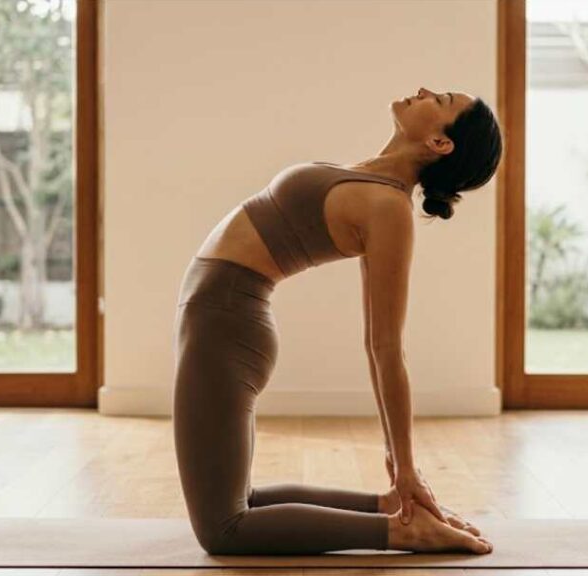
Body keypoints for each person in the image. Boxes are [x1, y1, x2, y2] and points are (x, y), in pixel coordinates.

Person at [173, 87, 503, 555]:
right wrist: (398, 488)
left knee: (223, 529)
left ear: (440, 143)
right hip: (219, 318)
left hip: (224, 324)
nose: (426, 91)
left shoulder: (389, 209)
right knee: (238, 502)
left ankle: (401, 532)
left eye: (443, 100)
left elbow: (385, 347)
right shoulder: (369, 177)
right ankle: (388, 508)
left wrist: (403, 463)